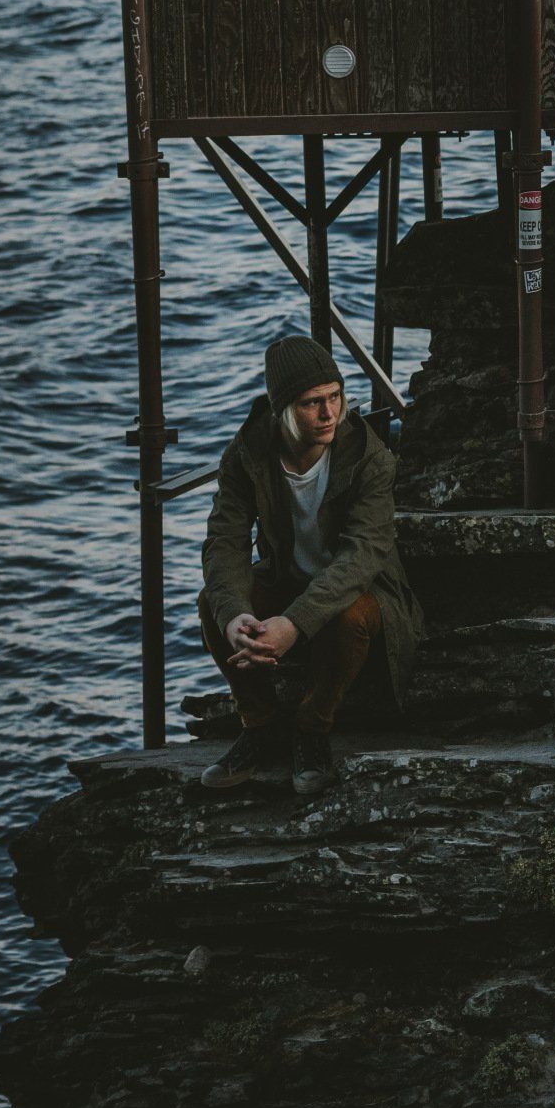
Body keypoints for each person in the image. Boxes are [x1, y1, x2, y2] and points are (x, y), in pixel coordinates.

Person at [198, 333, 421, 799]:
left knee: (348, 614)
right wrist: (235, 615)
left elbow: (361, 557)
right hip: (286, 580)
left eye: (335, 397)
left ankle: (311, 730)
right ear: (281, 409)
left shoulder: (368, 456)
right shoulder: (247, 454)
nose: (329, 413)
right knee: (213, 602)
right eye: (312, 403)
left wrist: (294, 624)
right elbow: (224, 543)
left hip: (366, 591)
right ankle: (260, 725)